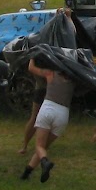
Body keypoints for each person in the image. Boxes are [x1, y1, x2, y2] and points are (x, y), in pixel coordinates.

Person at [22, 54, 74, 182]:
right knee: (43, 147)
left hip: (48, 109)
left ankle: (45, 162)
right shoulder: (73, 79)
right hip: (63, 115)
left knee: (39, 146)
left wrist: (33, 55)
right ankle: (26, 173)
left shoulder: (50, 73)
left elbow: (31, 68)